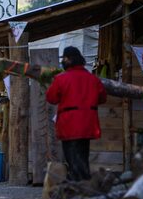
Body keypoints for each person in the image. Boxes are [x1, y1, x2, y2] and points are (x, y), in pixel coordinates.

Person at [46, 46, 107, 181]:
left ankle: (79, 185)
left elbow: (51, 98)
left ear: (68, 59)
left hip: (69, 124)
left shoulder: (61, 79)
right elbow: (102, 98)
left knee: (72, 158)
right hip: (88, 123)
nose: (63, 61)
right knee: (83, 156)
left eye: (64, 58)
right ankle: (84, 183)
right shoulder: (93, 79)